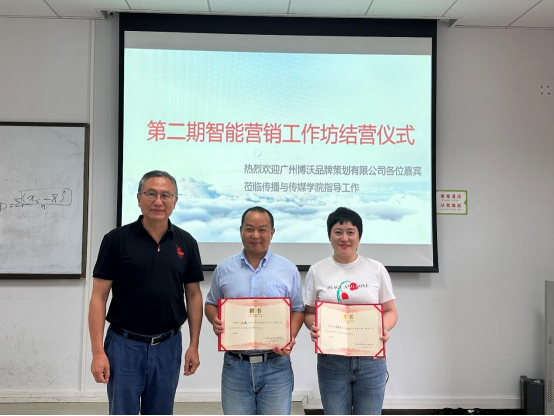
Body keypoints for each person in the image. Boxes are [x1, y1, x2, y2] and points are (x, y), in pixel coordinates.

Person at [89, 170, 204, 415]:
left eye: (165, 195)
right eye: (151, 194)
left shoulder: (187, 242)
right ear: (139, 198)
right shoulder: (116, 240)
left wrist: (194, 345)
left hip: (168, 346)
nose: (158, 201)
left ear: (175, 201)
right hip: (124, 346)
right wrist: (98, 352)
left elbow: (194, 295)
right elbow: (98, 297)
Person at [205, 206, 305, 415]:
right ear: (241, 230)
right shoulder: (224, 269)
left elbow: (297, 309)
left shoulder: (288, 269)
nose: (256, 235)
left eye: (262, 230)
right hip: (236, 365)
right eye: (250, 229)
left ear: (272, 232)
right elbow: (211, 304)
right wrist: (215, 320)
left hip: (276, 364)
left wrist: (290, 335)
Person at [304, 207, 398, 416]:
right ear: (329, 235)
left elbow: (391, 311)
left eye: (350, 232)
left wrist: (381, 328)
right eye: (338, 232)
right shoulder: (317, 270)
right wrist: (314, 327)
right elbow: (309, 312)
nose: (344, 238)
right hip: (332, 359)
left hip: (370, 359)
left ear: (359, 236)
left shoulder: (376, 269)